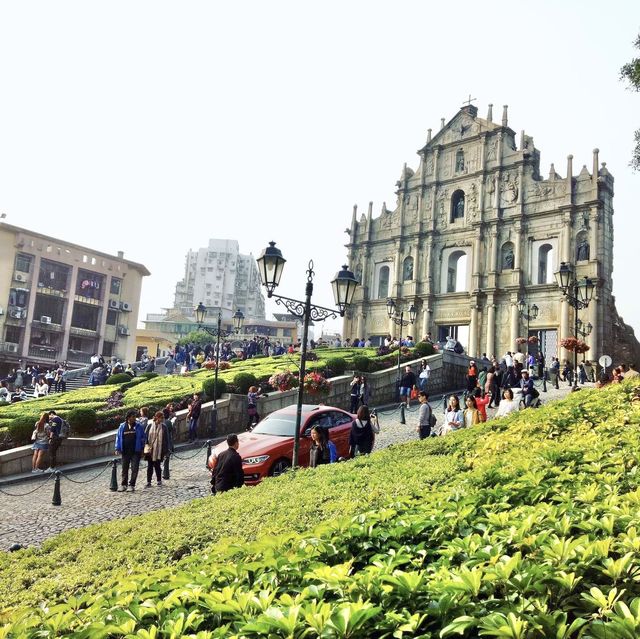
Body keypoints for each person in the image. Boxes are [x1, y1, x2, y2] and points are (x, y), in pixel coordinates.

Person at [115, 409, 146, 491]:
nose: (135, 418)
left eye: (135, 416)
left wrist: (142, 448)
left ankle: (132, 484)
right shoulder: (122, 426)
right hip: (125, 451)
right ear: (128, 417)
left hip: (136, 451)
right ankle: (123, 484)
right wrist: (117, 448)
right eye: (133, 417)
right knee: (124, 469)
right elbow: (118, 437)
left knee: (134, 468)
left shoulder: (138, 426)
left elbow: (143, 438)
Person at [144, 412, 170, 488]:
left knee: (157, 465)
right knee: (149, 466)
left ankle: (159, 480)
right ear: (157, 417)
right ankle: (148, 481)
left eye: (163, 418)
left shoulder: (164, 427)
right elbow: (145, 437)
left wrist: (166, 450)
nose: (162, 419)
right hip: (150, 449)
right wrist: (145, 447)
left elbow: (166, 439)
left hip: (159, 450)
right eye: (161, 417)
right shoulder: (149, 426)